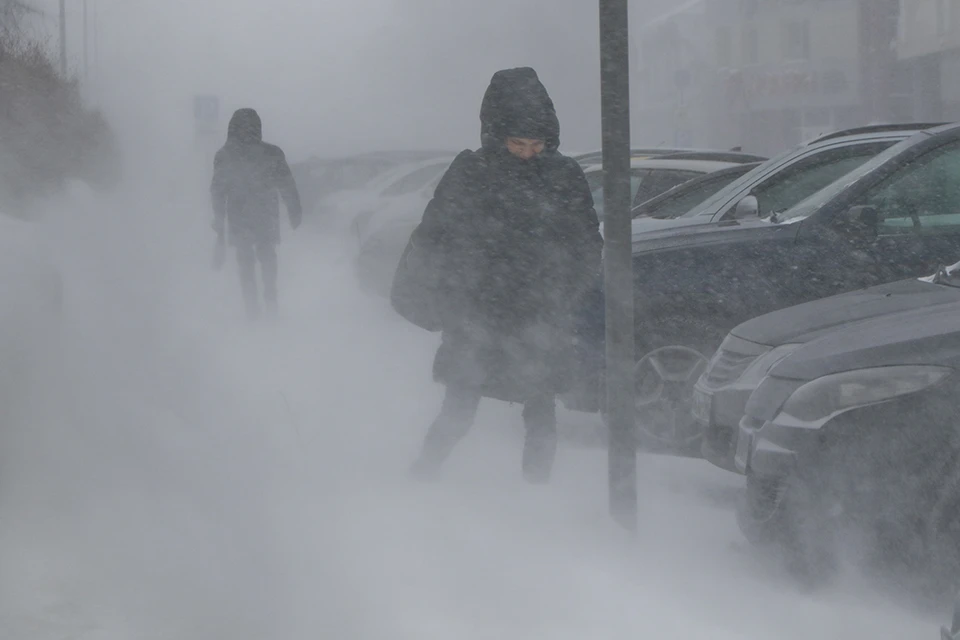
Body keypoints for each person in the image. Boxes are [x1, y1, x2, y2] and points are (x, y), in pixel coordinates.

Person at [407, 67, 603, 483]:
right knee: (459, 409)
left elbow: (587, 243)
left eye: (538, 144)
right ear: (496, 137)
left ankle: (535, 498)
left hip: (540, 314)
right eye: (518, 143)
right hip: (476, 313)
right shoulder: (470, 173)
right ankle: (420, 478)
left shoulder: (564, 176)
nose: (530, 153)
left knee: (541, 414)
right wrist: (446, 297)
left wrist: (565, 293)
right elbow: (433, 236)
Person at [210, 108, 303, 319]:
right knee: (267, 257)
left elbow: (217, 192)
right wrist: (294, 210)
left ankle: (252, 306)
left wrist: (219, 224)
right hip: (264, 214)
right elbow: (287, 185)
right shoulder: (272, 153)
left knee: (246, 263)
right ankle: (269, 299)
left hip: (240, 216)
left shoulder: (224, 156)